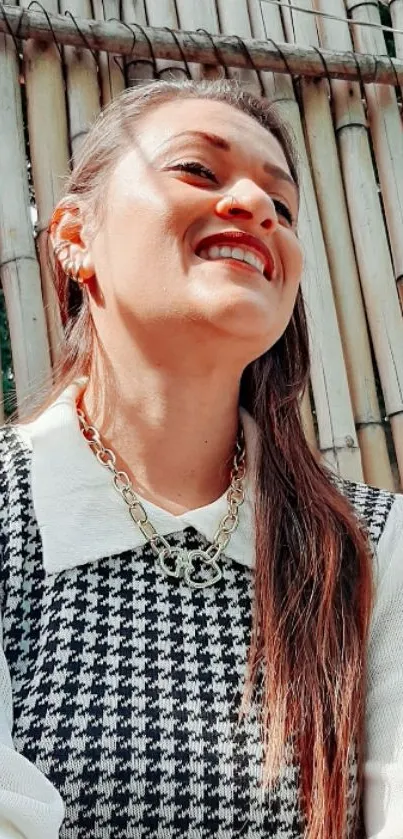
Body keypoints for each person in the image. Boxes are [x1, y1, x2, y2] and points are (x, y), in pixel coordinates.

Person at [0, 78, 401, 839]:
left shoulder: (376, 547)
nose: (254, 206)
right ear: (75, 236)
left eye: (281, 205)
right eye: (196, 170)